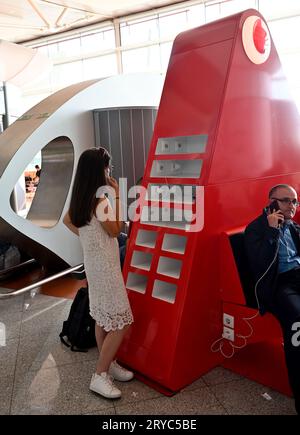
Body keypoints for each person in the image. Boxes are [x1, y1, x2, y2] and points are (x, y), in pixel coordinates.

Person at [63, 147, 134, 399]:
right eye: (107, 167)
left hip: (94, 265)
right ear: (100, 170)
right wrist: (115, 195)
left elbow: (68, 221)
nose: (110, 172)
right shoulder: (103, 200)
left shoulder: (82, 199)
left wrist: (89, 240)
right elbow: (116, 229)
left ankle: (109, 362)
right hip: (106, 268)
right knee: (123, 321)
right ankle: (100, 374)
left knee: (103, 318)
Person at [245, 184, 300, 414]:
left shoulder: (294, 228)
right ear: (271, 202)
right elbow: (261, 266)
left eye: (295, 201)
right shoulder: (256, 229)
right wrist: (271, 231)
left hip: (297, 277)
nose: (291, 206)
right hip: (278, 284)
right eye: (286, 200)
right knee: (298, 321)